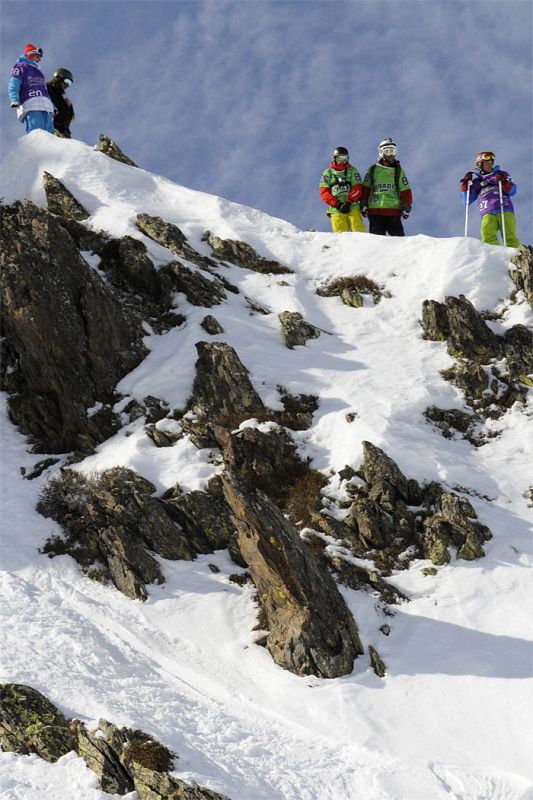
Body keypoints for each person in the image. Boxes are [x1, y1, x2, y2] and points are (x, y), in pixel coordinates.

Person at [460, 152, 521, 248]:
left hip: (504, 208)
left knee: (509, 235)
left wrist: (503, 181)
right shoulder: (477, 182)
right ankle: (494, 257)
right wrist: (465, 184)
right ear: (480, 165)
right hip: (487, 212)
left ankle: (516, 257)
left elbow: (512, 191)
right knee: (487, 236)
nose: (489, 165)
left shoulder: (500, 174)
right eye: (486, 163)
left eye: (491, 163)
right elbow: (466, 200)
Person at [360, 138, 412, 236]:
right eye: (388, 151)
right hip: (375, 210)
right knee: (377, 241)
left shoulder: (398, 171)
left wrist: (406, 205)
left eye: (393, 151)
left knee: (399, 240)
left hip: (393, 210)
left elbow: (405, 190)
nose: (391, 154)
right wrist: (363, 203)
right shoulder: (373, 169)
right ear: (381, 152)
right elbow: (366, 187)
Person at [8, 43, 54, 134]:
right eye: (38, 56)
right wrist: (14, 98)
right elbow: (14, 82)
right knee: (37, 132)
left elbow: (44, 90)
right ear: (30, 53)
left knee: (50, 135)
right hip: (31, 103)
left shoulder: (39, 71)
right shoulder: (21, 66)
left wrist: (52, 105)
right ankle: (35, 147)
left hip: (46, 107)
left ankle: (50, 148)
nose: (39, 59)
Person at [319, 146, 366, 233]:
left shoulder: (352, 171)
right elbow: (324, 193)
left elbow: (357, 188)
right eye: (339, 158)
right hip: (335, 209)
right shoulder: (327, 173)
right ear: (334, 158)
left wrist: (349, 202)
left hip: (352, 206)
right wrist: (337, 204)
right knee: (340, 233)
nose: (341, 161)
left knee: (358, 229)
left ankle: (363, 246)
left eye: (344, 159)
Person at [46, 68, 75, 138]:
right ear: (59, 78)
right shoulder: (47, 89)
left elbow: (70, 120)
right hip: (53, 129)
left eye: (69, 84)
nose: (67, 85)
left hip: (65, 133)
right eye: (67, 81)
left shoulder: (62, 100)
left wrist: (70, 107)